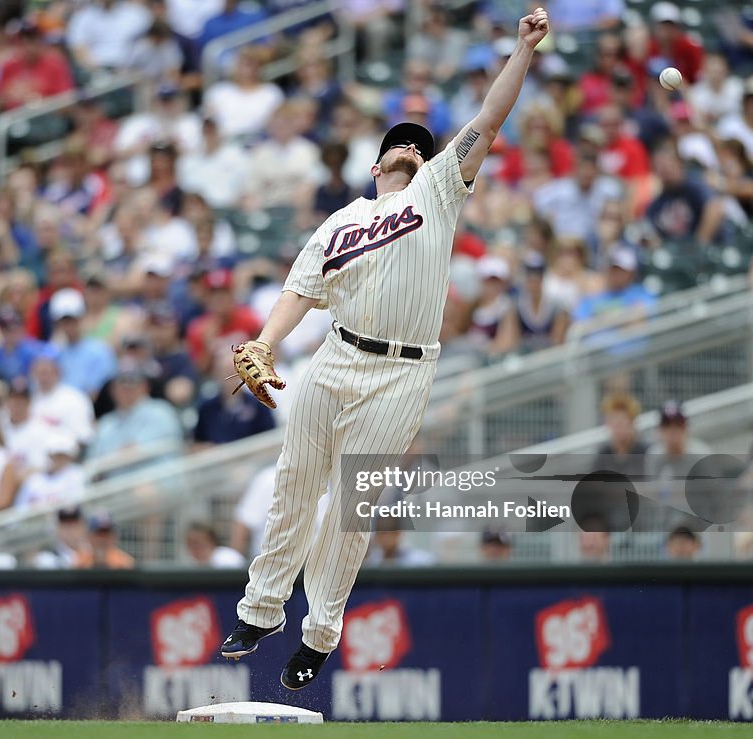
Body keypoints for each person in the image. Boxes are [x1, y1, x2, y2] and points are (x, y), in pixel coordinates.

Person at [219, 8, 551, 690]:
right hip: (335, 357)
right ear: (375, 163)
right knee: (293, 487)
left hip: (401, 368)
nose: (408, 148)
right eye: (397, 143)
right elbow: (298, 291)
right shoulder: (340, 222)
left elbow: (488, 120)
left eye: (416, 143)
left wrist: (521, 51)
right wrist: (265, 342)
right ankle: (261, 608)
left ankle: (319, 631)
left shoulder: (438, 189)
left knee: (351, 504)